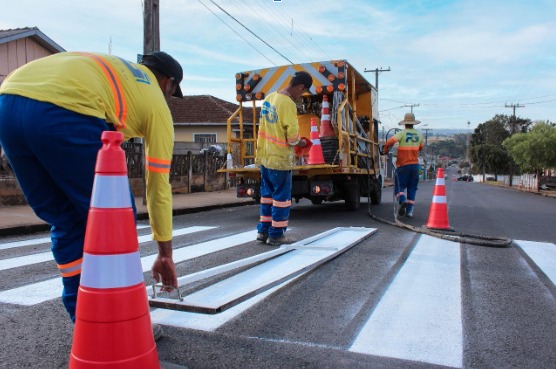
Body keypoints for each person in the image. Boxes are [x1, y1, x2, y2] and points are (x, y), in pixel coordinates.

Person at [0, 51, 181, 327]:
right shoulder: (156, 103)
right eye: (172, 92)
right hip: (66, 108)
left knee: (64, 218)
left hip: (9, 101)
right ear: (168, 83)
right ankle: (121, 323)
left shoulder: (117, 72)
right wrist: (165, 253)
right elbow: (158, 184)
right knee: (115, 218)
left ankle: (84, 320)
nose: (169, 98)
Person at [255, 71, 313, 246]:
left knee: (267, 196)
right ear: (300, 86)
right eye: (302, 92)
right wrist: (303, 143)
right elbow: (292, 137)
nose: (300, 96)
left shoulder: (270, 98)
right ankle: (277, 234)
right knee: (281, 198)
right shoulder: (288, 103)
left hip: (264, 157)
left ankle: (263, 231)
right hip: (279, 159)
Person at [383, 112, 424, 218]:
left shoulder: (402, 133)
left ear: (404, 124)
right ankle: (409, 211)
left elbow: (390, 142)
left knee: (398, 186)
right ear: (413, 124)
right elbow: (421, 148)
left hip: (403, 166)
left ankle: (402, 201)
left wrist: (385, 149)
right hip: (415, 166)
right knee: (412, 188)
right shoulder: (419, 135)